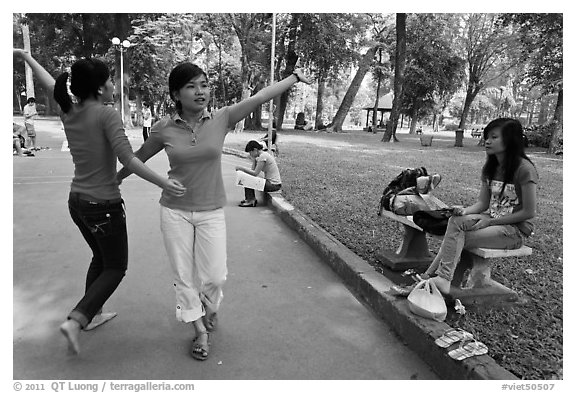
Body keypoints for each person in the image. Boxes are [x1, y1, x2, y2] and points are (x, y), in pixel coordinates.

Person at [117, 63, 310, 361]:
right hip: (174, 212)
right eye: (192, 86)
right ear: (176, 94)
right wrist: (115, 180)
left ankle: (209, 309)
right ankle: (200, 331)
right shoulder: (163, 128)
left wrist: (293, 78)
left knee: (216, 275)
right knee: (184, 277)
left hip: (210, 211)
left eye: (204, 85)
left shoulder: (222, 118)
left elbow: (260, 97)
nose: (201, 91)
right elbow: (136, 158)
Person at [13, 48, 186, 355]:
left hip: (77, 203)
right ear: (98, 88)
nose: (113, 86)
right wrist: (164, 182)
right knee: (116, 266)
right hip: (102, 205)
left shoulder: (69, 109)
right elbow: (129, 160)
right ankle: (77, 318)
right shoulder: (106, 115)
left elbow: (50, 84)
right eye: (109, 81)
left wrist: (27, 57)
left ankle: (92, 315)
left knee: (100, 257)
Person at [423, 118, 538, 295]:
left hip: (514, 230)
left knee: (456, 239)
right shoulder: (490, 167)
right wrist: (464, 211)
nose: (488, 141)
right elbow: (482, 203)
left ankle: (432, 278)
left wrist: (491, 223)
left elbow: (529, 212)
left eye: (494, 137)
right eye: (487, 137)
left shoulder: (524, 169)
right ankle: (440, 279)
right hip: (491, 219)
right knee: (455, 221)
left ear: (510, 140)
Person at [235, 140, 282, 207]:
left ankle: (251, 200)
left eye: (250, 152)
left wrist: (242, 168)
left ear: (255, 150)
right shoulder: (260, 156)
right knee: (246, 177)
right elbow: (252, 171)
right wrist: (254, 160)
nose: (250, 154)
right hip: (270, 183)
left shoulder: (263, 157)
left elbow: (255, 173)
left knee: (246, 179)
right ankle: (249, 199)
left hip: (273, 185)